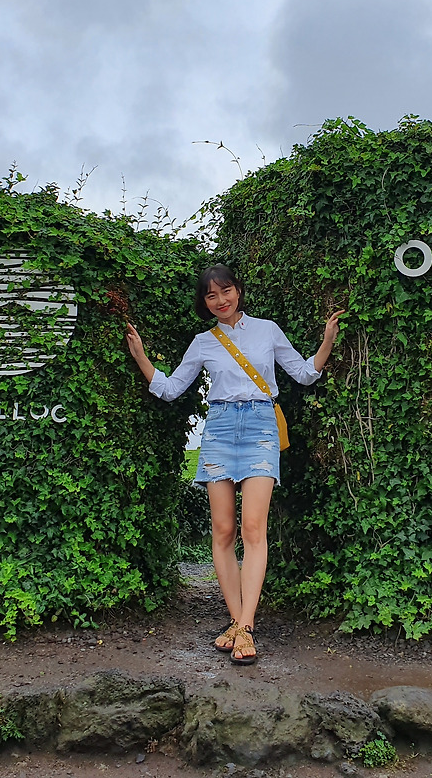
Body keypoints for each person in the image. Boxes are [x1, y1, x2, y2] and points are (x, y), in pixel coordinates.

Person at [125, 264, 343, 665]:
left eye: (225, 291)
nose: (220, 300)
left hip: (261, 425)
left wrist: (327, 341)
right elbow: (171, 389)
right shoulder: (203, 342)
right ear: (204, 302)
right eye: (211, 295)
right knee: (223, 530)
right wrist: (141, 357)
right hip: (220, 429)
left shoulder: (267, 330)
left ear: (238, 291)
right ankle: (237, 621)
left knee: (253, 529)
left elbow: (304, 374)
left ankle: (245, 627)